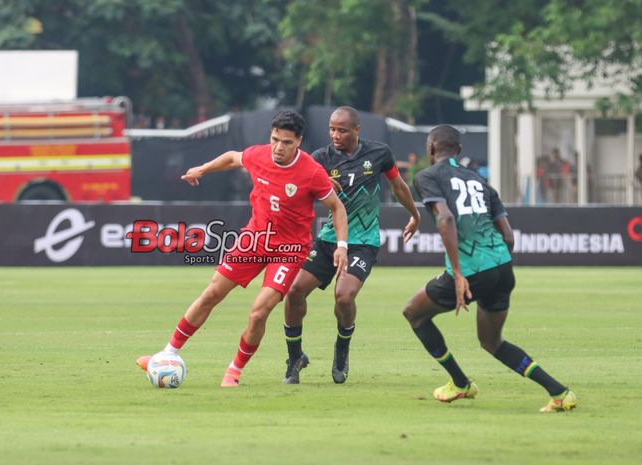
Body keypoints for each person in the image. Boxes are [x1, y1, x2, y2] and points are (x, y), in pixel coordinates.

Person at [136, 110, 349, 387]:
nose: (278, 148)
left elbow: (337, 207)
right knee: (212, 292)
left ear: (298, 141)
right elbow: (233, 157)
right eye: (274, 140)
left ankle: (234, 371)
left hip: (289, 249)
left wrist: (341, 245)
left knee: (259, 311)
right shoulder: (259, 155)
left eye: (286, 142)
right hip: (255, 239)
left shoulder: (311, 172)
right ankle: (167, 353)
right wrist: (203, 169)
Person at [403, 125, 576, 412]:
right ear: (458, 151)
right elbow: (508, 236)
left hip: (469, 272)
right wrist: (496, 270)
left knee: (414, 313)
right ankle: (559, 392)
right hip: (502, 266)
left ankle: (460, 383)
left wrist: (458, 273)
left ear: (430, 149)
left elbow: (444, 218)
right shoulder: (482, 183)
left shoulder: (427, 177)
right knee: (491, 341)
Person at [282, 106, 421, 384]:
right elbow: (296, 190)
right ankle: (295, 358)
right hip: (328, 240)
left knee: (344, 296)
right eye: (332, 129)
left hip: (363, 243)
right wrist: (317, 187)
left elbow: (397, 186)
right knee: (295, 291)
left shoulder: (379, 154)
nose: (335, 135)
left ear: (357, 130)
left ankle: (342, 347)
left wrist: (415, 214)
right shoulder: (320, 158)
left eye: (342, 130)